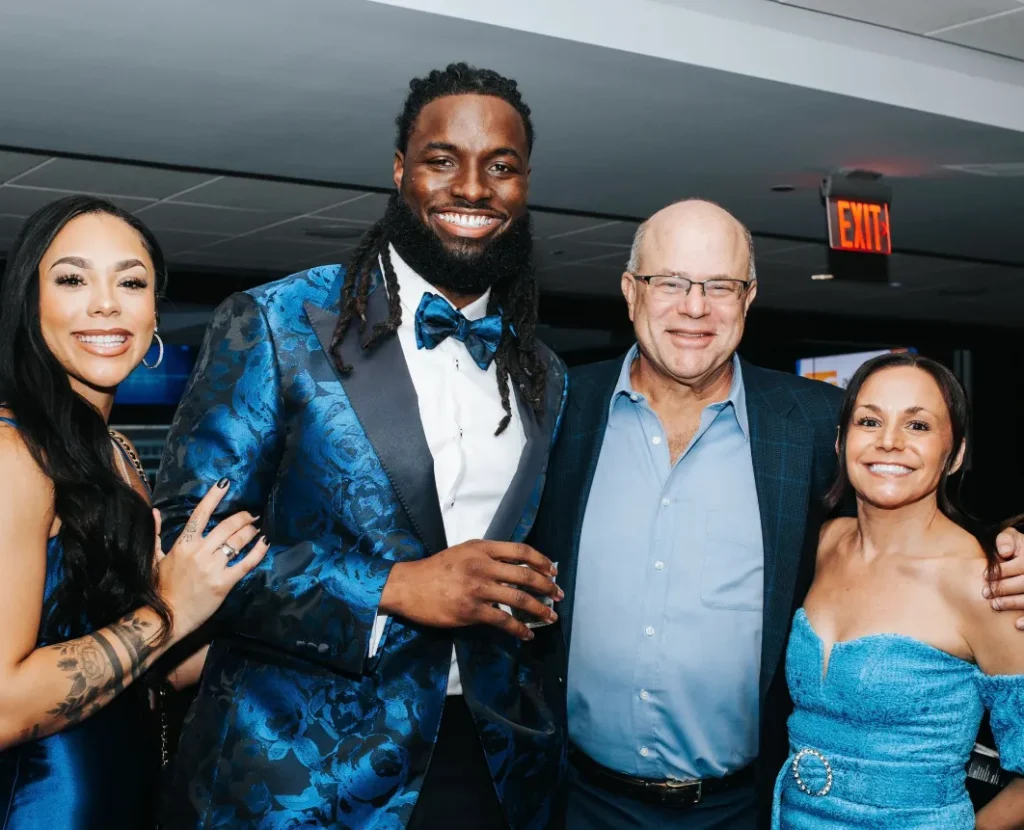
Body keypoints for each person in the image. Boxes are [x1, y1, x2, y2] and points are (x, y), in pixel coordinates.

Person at [154, 63, 567, 829]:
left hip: (490, 769)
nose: (472, 187)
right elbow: (187, 541)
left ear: (525, 186)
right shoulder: (278, 322)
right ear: (401, 170)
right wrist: (392, 587)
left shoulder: (542, 371)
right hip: (300, 774)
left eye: (500, 166)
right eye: (442, 159)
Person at [527, 198, 1024, 829]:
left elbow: (909, 517)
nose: (695, 307)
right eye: (670, 282)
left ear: (749, 297)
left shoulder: (812, 423)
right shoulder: (558, 407)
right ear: (631, 292)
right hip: (579, 798)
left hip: (745, 806)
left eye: (720, 286)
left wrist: (1009, 551)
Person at [0, 195, 267, 829]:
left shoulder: (116, 452)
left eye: (131, 282)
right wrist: (171, 608)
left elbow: (146, 672)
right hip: (42, 808)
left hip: (127, 792)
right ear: (29, 305)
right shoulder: (14, 453)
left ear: (153, 313)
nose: (107, 304)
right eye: (72, 279)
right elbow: (4, 706)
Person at [772, 353, 1024, 828]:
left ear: (956, 454)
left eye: (918, 425)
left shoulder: (986, 585)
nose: (889, 442)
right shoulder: (823, 543)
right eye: (869, 421)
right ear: (841, 441)